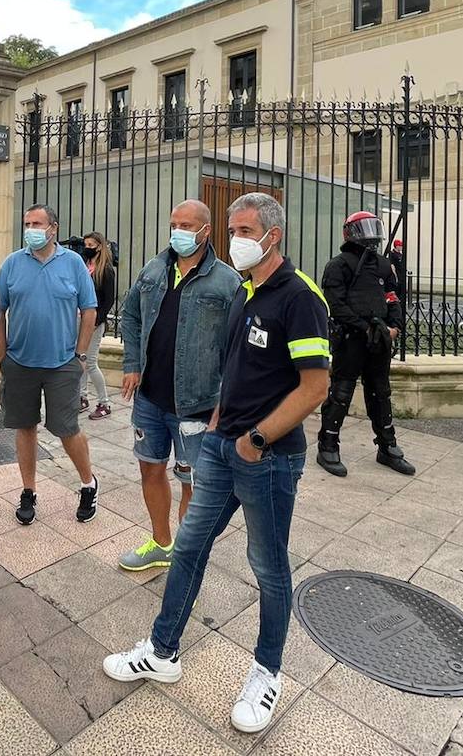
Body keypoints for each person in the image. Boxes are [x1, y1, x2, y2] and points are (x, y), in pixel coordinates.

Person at [103, 193, 329, 735]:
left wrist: (256, 437)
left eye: (246, 229)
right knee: (189, 546)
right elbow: (234, 366)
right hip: (223, 445)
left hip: (268, 458)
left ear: (273, 234)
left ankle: (266, 673)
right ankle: (162, 650)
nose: (237, 238)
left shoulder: (299, 298)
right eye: (233, 228)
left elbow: (315, 386)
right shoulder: (246, 291)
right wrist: (222, 424)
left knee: (268, 567)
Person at [117, 200, 240, 571]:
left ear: (205, 231)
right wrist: (132, 364)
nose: (178, 232)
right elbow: (131, 315)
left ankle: (185, 560)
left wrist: (225, 401)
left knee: (192, 482)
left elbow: (237, 347)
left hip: (198, 404)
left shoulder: (226, 281)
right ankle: (161, 543)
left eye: (187, 225)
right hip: (150, 399)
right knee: (150, 468)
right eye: (174, 224)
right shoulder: (155, 268)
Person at [0, 204, 99, 526]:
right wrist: (3, 355)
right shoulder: (13, 263)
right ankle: (28, 490)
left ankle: (88, 483)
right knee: (25, 427)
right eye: (26, 223)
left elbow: (89, 310)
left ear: (53, 228)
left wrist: (81, 356)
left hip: (62, 364)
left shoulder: (72, 264)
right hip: (20, 363)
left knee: (67, 429)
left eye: (36, 223)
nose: (30, 229)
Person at [316, 211, 414, 477]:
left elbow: (393, 298)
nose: (370, 233)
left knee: (380, 393)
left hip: (380, 340)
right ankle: (328, 444)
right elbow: (336, 305)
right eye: (364, 228)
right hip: (351, 339)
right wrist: (365, 327)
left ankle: (387, 446)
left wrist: (394, 328)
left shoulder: (382, 265)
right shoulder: (338, 265)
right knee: (341, 392)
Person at [81, 232, 118, 420]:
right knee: (80, 359)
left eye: (91, 244)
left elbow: (109, 299)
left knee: (90, 362)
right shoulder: (85, 266)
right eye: (85, 243)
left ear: (99, 246)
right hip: (80, 319)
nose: (87, 247)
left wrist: (97, 321)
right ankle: (82, 397)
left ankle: (104, 403)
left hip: (94, 322)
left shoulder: (106, 270)